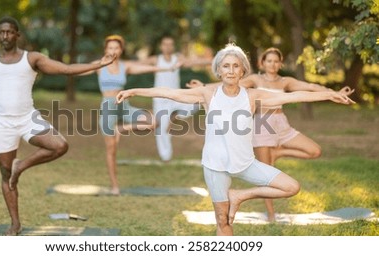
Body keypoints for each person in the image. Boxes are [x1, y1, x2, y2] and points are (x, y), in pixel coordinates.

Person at [116, 44, 354, 235]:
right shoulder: (208, 94)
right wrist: (135, 91)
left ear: (243, 71)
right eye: (226, 66)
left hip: (246, 163)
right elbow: (168, 93)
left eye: (235, 66)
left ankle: (240, 196)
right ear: (219, 71)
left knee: (291, 187)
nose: (230, 70)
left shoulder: (253, 96)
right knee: (223, 220)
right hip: (215, 165)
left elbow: (296, 96)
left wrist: (330, 94)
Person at [0, 16, 115, 235]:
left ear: (17, 35)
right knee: (6, 174)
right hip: (1, 123)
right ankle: (15, 223)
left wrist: (98, 64)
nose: (5, 36)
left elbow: (66, 68)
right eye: (1, 32)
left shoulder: (31, 58)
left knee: (59, 146)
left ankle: (22, 166)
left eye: (10, 32)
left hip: (28, 118)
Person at [188, 47, 354, 221]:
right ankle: (271, 214)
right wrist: (203, 88)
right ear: (262, 63)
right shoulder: (254, 79)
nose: (272, 64)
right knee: (267, 174)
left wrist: (331, 93)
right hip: (262, 125)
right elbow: (227, 83)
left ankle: (277, 152)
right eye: (269, 61)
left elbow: (308, 88)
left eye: (276, 61)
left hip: (281, 123)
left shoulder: (285, 81)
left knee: (314, 150)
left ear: (280, 63)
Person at [78, 35, 180, 195]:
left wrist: (168, 68)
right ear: (105, 50)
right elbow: (77, 71)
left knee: (153, 122)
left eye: (116, 48)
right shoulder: (99, 65)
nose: (113, 51)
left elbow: (149, 68)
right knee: (111, 150)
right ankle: (115, 186)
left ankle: (122, 129)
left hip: (124, 106)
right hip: (108, 108)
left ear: (121, 50)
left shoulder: (125, 66)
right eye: (110, 48)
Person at [139, 35, 211, 161]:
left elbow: (193, 62)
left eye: (170, 44)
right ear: (161, 46)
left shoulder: (177, 58)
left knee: (197, 102)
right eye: (165, 44)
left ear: (173, 46)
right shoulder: (156, 60)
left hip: (176, 97)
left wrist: (212, 61)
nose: (168, 46)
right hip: (160, 100)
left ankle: (175, 116)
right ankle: (166, 157)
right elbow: (135, 65)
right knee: (161, 131)